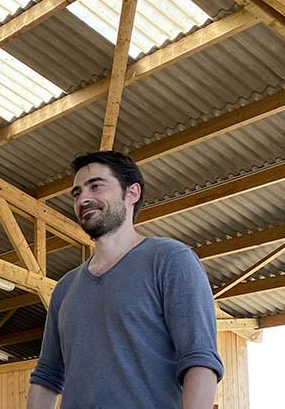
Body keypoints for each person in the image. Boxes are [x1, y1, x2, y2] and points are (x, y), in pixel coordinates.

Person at [27, 151, 223, 409]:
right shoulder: (64, 288)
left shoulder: (170, 260)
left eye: (96, 186)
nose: (83, 198)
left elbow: (199, 360)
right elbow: (47, 376)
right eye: (77, 193)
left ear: (132, 193)